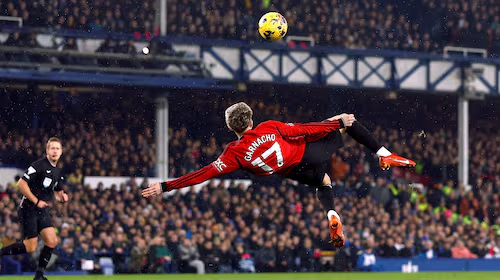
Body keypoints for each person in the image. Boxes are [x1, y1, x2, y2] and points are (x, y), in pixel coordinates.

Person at [142, 102, 415, 248]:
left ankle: (332, 215)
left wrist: (166, 187)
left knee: (324, 182)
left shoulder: (232, 153)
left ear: (231, 128)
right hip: (306, 154)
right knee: (347, 119)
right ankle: (383, 153)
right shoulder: (268, 127)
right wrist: (336, 123)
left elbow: (203, 174)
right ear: (250, 121)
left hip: (291, 172)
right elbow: (305, 130)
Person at [0, 137, 69, 280]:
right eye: (52, 148)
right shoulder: (38, 165)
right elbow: (21, 184)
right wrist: (37, 201)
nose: (55, 151)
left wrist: (62, 197)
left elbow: (57, 193)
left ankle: (39, 276)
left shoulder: (57, 172)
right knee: (30, 247)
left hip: (42, 210)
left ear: (61, 152)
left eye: (57, 148)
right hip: (28, 209)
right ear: (47, 151)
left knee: (51, 241)